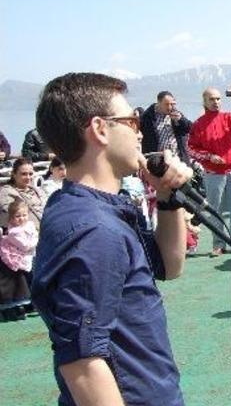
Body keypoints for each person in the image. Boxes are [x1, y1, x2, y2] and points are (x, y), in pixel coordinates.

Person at [30, 72, 192, 405]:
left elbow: (170, 264)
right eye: (132, 120)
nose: (140, 130)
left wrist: (168, 196)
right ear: (100, 129)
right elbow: (82, 363)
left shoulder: (99, 209)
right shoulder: (93, 230)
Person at [187, 86, 231, 256]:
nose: (216, 102)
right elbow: (191, 149)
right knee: (215, 210)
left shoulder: (230, 118)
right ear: (205, 102)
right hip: (213, 174)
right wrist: (208, 156)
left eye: (218, 99)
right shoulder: (198, 124)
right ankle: (218, 244)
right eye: (212, 99)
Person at [0, 199, 36, 321]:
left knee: (30, 280)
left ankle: (31, 303)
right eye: (17, 216)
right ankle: (14, 307)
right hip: (17, 260)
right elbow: (25, 245)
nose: (22, 218)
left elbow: (34, 237)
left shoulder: (29, 225)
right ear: (11, 218)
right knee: (19, 284)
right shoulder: (13, 232)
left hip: (30, 257)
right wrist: (37, 241)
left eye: (24, 215)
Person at [140, 90, 193, 165]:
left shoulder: (176, 113)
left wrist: (181, 120)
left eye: (172, 104)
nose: (169, 107)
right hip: (158, 161)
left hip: (178, 159)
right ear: (158, 103)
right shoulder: (147, 117)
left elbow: (191, 129)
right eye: (166, 104)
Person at [0, 158, 46, 229]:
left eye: (30, 174)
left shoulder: (37, 190)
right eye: (24, 174)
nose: (28, 177)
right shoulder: (7, 192)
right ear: (14, 174)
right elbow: (14, 217)